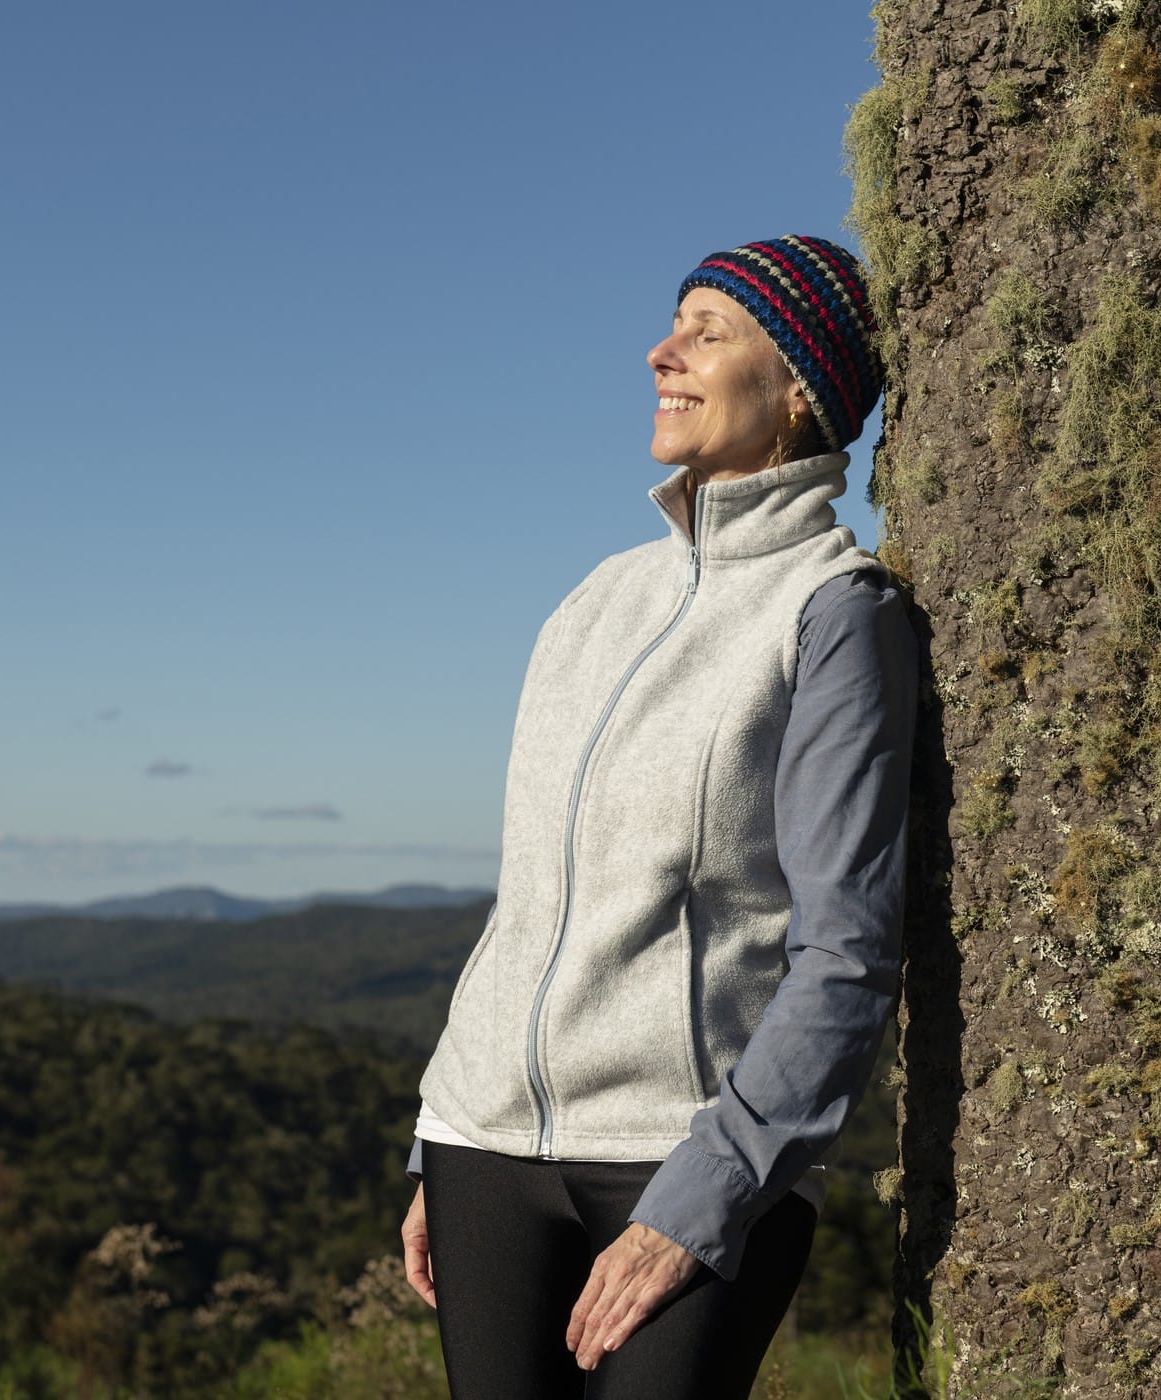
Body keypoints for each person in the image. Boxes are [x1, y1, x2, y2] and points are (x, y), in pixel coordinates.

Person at [397, 234, 918, 1400]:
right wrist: (441, 1132)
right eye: (670, 325)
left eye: (705, 331)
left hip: (687, 1153)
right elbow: (528, 901)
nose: (659, 353)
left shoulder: (836, 609)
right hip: (487, 1151)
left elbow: (846, 952)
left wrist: (708, 1192)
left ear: (799, 389)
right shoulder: (592, 599)